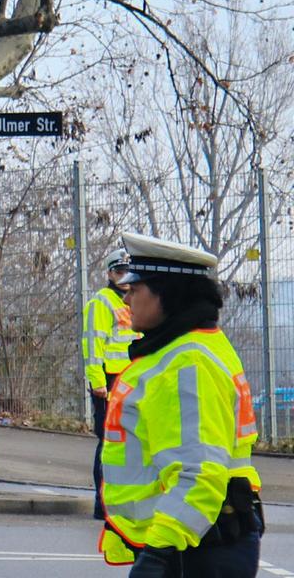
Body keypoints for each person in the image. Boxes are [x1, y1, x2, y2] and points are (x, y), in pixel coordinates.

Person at [98, 232, 262, 577]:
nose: (126, 299)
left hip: (191, 548)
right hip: (196, 542)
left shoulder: (187, 364)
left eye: (135, 289)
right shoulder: (187, 349)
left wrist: (158, 554)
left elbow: (198, 474)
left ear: (166, 294)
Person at [86, 249, 140, 518]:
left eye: (128, 272)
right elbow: (93, 343)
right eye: (119, 272)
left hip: (132, 379)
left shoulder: (135, 300)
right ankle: (103, 503)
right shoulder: (102, 302)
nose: (124, 277)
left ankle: (124, 499)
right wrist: (98, 382)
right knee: (109, 441)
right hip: (109, 380)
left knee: (131, 441)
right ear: (109, 273)